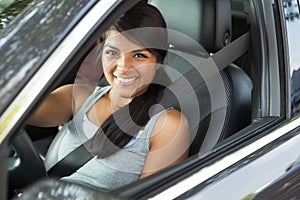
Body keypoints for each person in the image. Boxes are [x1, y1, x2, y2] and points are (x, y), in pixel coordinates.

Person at [28, 1, 190, 190]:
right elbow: (18, 108)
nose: (123, 67)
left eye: (139, 56)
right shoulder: (79, 96)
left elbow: (151, 195)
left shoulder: (167, 125)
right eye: (112, 52)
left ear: (158, 61)